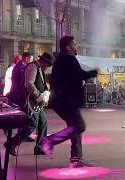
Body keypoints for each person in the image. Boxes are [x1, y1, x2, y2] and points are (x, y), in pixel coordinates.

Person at [41, 36, 99, 168]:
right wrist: (94, 72)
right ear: (68, 47)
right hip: (66, 101)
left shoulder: (61, 60)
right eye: (74, 44)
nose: (76, 46)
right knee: (80, 126)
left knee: (74, 128)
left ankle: (76, 159)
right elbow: (80, 74)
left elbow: (70, 77)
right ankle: (50, 140)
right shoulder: (68, 58)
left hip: (63, 100)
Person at [5, 52, 54, 156]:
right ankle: (12, 143)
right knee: (32, 124)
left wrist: (46, 86)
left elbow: (37, 83)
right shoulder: (33, 67)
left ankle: (39, 147)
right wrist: (38, 96)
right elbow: (28, 84)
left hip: (36, 102)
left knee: (43, 122)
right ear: (44, 61)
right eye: (48, 65)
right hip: (30, 102)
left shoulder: (40, 69)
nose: (48, 67)